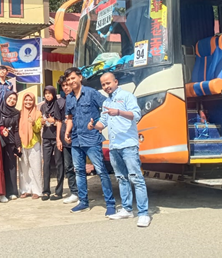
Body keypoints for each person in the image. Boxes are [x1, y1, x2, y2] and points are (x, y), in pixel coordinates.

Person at [89, 72, 151, 227]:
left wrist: (118, 112)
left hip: (128, 144)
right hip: (114, 145)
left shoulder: (127, 96)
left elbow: (136, 115)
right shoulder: (106, 103)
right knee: (121, 178)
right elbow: (102, 123)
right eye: (103, 85)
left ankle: (143, 213)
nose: (106, 87)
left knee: (136, 178)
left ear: (115, 82)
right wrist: (93, 125)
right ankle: (127, 209)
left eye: (108, 83)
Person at [64, 67, 116, 215]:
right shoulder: (69, 98)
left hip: (92, 139)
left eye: (73, 78)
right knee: (79, 171)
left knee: (100, 170)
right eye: (68, 80)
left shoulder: (92, 93)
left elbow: (108, 107)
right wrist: (67, 132)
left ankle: (110, 204)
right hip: (76, 139)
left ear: (80, 77)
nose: (71, 82)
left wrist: (99, 123)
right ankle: (83, 202)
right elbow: (70, 118)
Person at [56, 76, 78, 204]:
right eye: (63, 86)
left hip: (79, 137)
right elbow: (59, 121)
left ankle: (82, 191)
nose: (65, 87)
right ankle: (74, 192)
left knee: (79, 167)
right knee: (68, 167)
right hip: (65, 138)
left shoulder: (78, 98)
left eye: (67, 85)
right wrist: (58, 138)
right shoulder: (60, 102)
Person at [40, 86, 64, 201]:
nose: (48, 95)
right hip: (46, 137)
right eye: (46, 93)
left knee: (59, 163)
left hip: (56, 137)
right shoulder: (43, 106)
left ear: (54, 94)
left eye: (50, 93)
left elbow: (59, 121)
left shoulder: (58, 104)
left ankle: (58, 192)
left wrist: (53, 121)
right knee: (46, 164)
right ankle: (45, 191)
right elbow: (41, 119)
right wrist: (42, 121)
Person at [18, 92, 43, 199]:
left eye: (30, 100)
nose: (28, 102)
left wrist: (33, 123)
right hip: (22, 143)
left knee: (36, 167)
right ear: (23, 101)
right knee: (23, 167)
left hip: (34, 143)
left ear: (34, 101)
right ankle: (25, 189)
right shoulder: (20, 114)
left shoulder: (38, 113)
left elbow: (38, 129)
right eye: (26, 100)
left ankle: (37, 191)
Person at [0, 90, 21, 200]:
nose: (12, 101)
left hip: (10, 142)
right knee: (0, 167)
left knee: (11, 167)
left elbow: (16, 130)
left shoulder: (16, 113)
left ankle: (12, 192)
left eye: (14, 99)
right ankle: (1, 192)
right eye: (10, 98)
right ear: (5, 98)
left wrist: (18, 144)